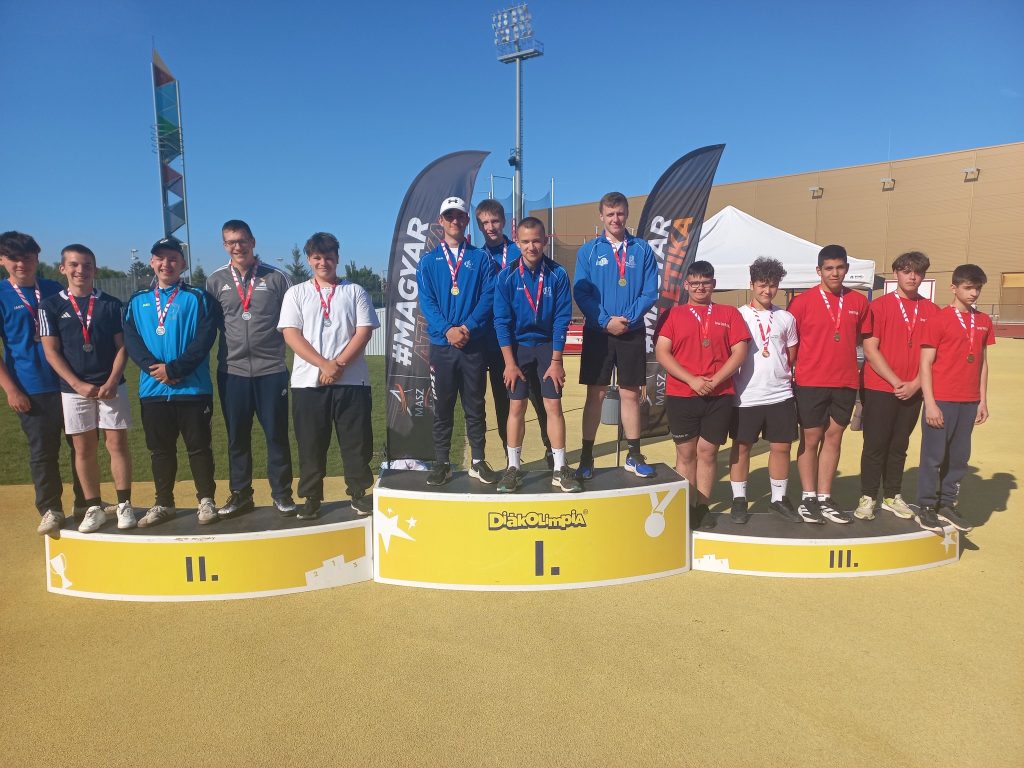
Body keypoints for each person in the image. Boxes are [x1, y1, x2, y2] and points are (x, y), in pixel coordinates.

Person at [123, 236, 222, 527]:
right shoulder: (137, 301)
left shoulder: (199, 297)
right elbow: (132, 341)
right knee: (160, 450)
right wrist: (156, 370)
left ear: (183, 263)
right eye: (160, 258)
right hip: (153, 389)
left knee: (199, 448)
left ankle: (206, 500)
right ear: (152, 262)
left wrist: (175, 369)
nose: (166, 264)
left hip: (193, 388)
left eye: (173, 258)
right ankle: (164, 502)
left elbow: (205, 339)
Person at [279, 232, 378, 519]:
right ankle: (311, 498)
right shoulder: (296, 293)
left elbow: (364, 332)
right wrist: (324, 365)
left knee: (356, 442)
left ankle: (358, 494)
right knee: (311, 444)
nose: (323, 263)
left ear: (337, 258)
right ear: (309, 260)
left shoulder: (355, 291)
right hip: (308, 383)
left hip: (352, 381)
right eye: (317, 257)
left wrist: (338, 365)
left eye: (329, 257)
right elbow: (291, 334)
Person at [39, 244, 135, 533]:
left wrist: (112, 380)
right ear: (62, 268)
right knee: (83, 449)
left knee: (117, 444)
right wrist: (77, 384)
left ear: (95, 269)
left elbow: (123, 347)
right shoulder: (49, 306)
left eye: (87, 265)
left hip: (111, 386)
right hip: (73, 390)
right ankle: (93, 507)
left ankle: (124, 504)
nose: (80, 270)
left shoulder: (111, 304)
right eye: (74, 264)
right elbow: (51, 351)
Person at [206, 219, 295, 519]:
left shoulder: (277, 278)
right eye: (231, 242)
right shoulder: (215, 280)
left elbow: (293, 321)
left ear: (253, 242)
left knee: (276, 435)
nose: (238, 246)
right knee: (237, 437)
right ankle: (241, 494)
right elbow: (211, 325)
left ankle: (282, 494)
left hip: (271, 370)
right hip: (232, 371)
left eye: (242, 240)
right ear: (224, 245)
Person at [0, 231, 86, 537]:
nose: (21, 264)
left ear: (37, 258)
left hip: (69, 383)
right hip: (31, 387)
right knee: (43, 452)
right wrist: (11, 389)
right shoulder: (2, 294)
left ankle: (86, 504)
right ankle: (50, 509)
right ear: (2, 260)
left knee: (82, 447)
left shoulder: (53, 289)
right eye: (14, 258)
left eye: (27, 257)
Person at [655, 261, 749, 530]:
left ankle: (702, 507)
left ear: (713, 284)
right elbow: (662, 352)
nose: (700, 287)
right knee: (686, 455)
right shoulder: (673, 315)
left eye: (705, 282)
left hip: (719, 395)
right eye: (695, 283)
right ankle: (686, 506)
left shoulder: (729, 313)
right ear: (686, 285)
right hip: (682, 394)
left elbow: (740, 352)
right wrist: (692, 380)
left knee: (708, 453)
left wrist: (716, 380)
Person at [573, 191, 659, 480]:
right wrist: (605, 321)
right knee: (595, 394)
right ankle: (586, 457)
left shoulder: (642, 250)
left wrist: (628, 319)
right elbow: (581, 293)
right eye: (610, 214)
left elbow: (650, 291)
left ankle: (634, 455)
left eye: (620, 213)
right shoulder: (588, 251)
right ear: (601, 216)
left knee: (630, 394)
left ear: (627, 214)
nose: (615, 219)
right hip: (598, 332)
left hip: (631, 330)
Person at [492, 217, 581, 494]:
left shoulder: (558, 274)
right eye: (525, 241)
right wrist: (509, 363)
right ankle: (513, 467)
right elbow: (501, 321)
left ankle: (560, 468)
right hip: (518, 348)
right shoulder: (506, 276)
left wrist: (556, 361)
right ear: (517, 243)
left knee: (553, 406)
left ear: (545, 240)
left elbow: (561, 319)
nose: (531, 246)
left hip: (546, 346)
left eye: (536, 241)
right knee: (516, 407)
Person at [416, 196, 500, 486]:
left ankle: (478, 461)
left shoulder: (481, 258)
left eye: (460, 216)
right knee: (442, 407)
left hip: (473, 344)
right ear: (440, 221)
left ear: (466, 220)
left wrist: (466, 327)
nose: (454, 221)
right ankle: (442, 462)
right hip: (442, 346)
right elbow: (426, 302)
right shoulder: (428, 261)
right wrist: (448, 330)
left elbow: (489, 296)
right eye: (449, 216)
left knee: (475, 406)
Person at [788, 244, 869, 524]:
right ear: (819, 270)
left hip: (845, 381)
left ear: (847, 269)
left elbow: (861, 339)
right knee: (811, 439)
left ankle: (824, 496)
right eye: (829, 268)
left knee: (834, 438)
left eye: (840, 268)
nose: (835, 273)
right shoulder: (802, 302)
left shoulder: (858, 302)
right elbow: (791, 343)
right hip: (811, 381)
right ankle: (808, 496)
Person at [856, 251, 940, 521]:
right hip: (880, 387)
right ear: (896, 274)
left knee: (899, 445)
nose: (912, 277)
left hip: (913, 389)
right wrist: (896, 381)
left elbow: (935, 355)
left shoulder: (932, 311)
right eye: (906, 271)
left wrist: (915, 384)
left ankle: (893, 495)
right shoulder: (879, 307)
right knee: (875, 444)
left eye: (918, 272)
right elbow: (870, 350)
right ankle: (868, 496)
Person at [915, 264, 992, 534]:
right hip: (942, 400)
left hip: (969, 401)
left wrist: (982, 400)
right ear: (954, 287)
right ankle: (926, 505)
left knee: (959, 457)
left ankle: (946, 503)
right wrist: (930, 403)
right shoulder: (938, 319)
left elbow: (982, 362)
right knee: (933, 457)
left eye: (977, 288)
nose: (974, 293)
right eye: (968, 288)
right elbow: (925, 363)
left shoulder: (983, 321)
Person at [475, 198, 552, 468]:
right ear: (479, 226)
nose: (490, 227)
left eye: (495, 221)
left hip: (520, 341)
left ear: (504, 222)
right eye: (485, 223)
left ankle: (551, 449)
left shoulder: (520, 251)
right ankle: (511, 459)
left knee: (540, 398)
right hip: (490, 340)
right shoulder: (477, 257)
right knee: (504, 403)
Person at [727, 257, 802, 524]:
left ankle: (778, 499)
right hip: (746, 395)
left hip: (780, 394)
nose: (767, 291)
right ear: (751, 285)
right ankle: (739, 499)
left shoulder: (786, 318)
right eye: (762, 285)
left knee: (781, 448)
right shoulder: (738, 315)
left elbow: (790, 354)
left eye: (772, 285)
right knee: (741, 448)